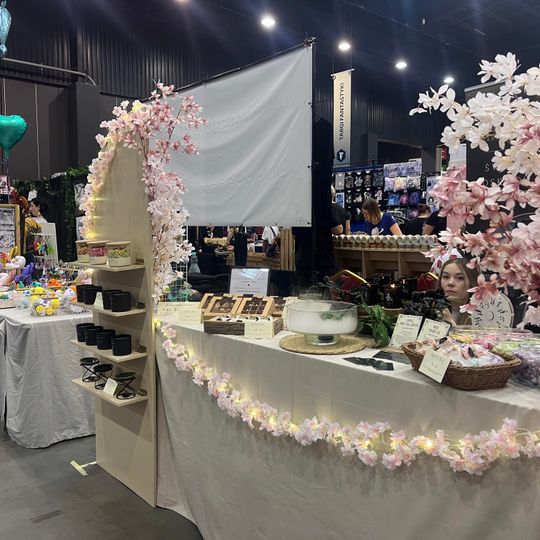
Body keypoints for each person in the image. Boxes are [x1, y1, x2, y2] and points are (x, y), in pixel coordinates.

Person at [438, 258, 479, 326]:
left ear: (472, 283)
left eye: (460, 278)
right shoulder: (429, 308)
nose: (450, 283)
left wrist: (452, 325)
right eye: (446, 277)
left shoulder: (481, 315)